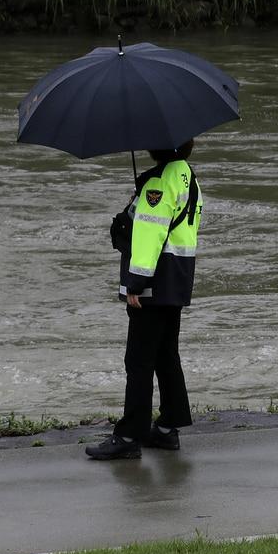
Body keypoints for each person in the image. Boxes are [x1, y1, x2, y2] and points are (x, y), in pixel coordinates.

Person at [86, 140, 202, 460]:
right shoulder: (186, 176)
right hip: (176, 280)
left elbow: (150, 235)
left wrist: (135, 283)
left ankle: (128, 436)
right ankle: (167, 427)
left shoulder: (157, 182)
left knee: (138, 361)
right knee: (166, 355)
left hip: (153, 282)